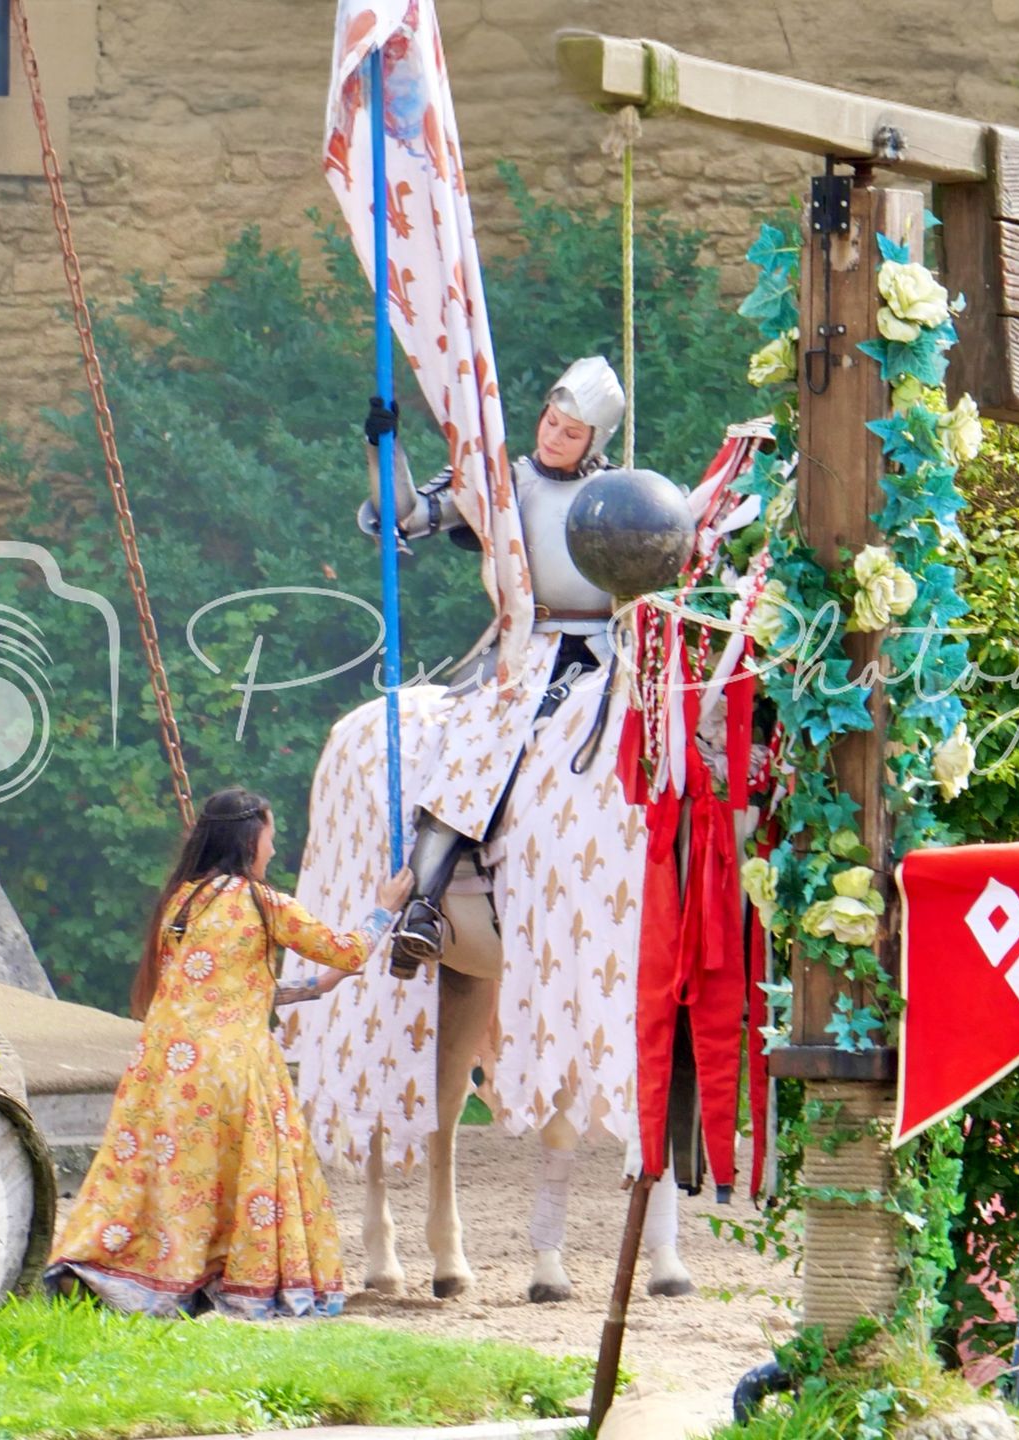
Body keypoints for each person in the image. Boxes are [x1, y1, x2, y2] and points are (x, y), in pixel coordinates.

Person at [46, 788, 413, 1320]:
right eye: (270, 836)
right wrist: (385, 909)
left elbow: (222, 987)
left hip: (164, 1065)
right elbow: (347, 949)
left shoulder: (180, 901)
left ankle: (120, 1269)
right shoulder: (264, 903)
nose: (273, 848)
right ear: (249, 839)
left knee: (162, 1176)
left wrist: (315, 987)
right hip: (230, 1067)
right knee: (240, 1178)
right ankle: (240, 1282)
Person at [358, 355, 626, 971]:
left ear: (596, 440)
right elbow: (408, 516)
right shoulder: (504, 486)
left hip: (613, 652)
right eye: (551, 422)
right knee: (476, 742)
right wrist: (383, 451)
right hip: (528, 650)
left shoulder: (622, 494)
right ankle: (422, 908)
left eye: (571, 432)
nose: (553, 437)